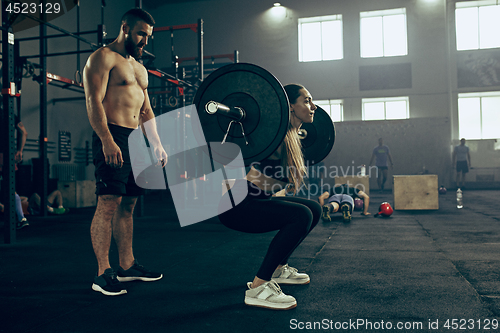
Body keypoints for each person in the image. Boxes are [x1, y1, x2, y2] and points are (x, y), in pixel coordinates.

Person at [83, 8, 167, 296]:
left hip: (135, 139)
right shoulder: (102, 57)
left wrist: (156, 142)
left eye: (148, 36)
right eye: (141, 33)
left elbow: (146, 109)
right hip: (114, 134)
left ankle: (127, 266)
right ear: (125, 28)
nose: (145, 40)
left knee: (129, 205)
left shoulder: (139, 67)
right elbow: (93, 100)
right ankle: (102, 273)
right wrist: (106, 139)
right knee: (108, 202)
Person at [217, 84, 321, 310]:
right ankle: (258, 287)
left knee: (313, 209)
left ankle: (278, 268)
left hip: (258, 199)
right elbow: (246, 136)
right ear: (290, 107)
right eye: (307, 100)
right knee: (301, 215)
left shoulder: (292, 137)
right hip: (237, 205)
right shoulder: (273, 135)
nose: (313, 106)